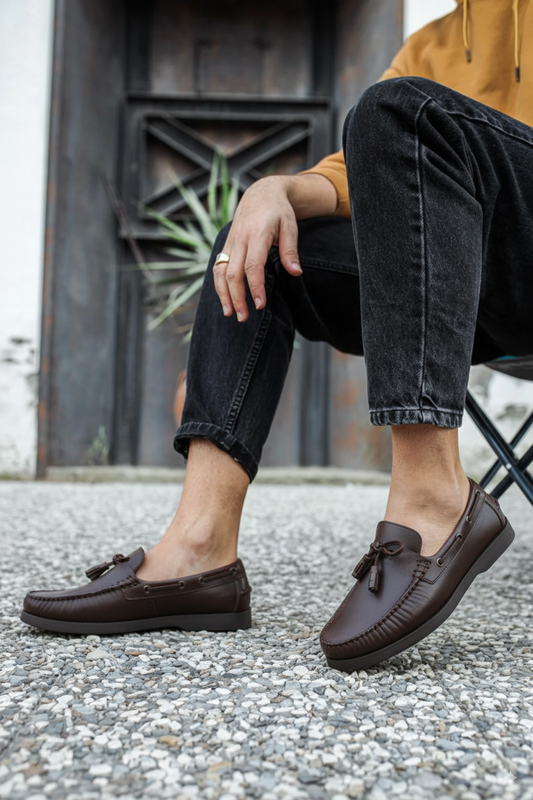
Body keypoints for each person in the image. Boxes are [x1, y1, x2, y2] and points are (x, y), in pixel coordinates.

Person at [22, 0, 532, 671]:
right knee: (255, 242)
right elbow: (363, 172)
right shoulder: (437, 43)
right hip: (462, 280)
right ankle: (200, 551)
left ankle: (433, 495)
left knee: (401, 109)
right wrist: (275, 189)